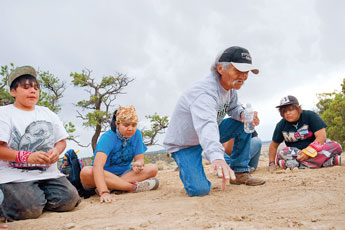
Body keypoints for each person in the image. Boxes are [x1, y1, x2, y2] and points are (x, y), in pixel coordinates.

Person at [163, 46, 265, 197]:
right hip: (185, 145)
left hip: (209, 135)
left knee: (242, 122)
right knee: (200, 190)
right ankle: (191, 165)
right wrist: (217, 157)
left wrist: (243, 114)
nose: (243, 77)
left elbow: (234, 108)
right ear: (220, 68)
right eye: (238, 71)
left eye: (246, 72)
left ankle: (240, 172)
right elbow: (206, 125)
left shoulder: (230, 88)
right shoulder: (204, 93)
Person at [0, 66, 80, 221]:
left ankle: (36, 198)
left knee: (69, 199)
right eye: (26, 87)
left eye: (36, 88)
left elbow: (61, 141)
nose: (33, 91)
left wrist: (57, 151)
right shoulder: (4, 113)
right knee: (30, 208)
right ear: (13, 91)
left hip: (48, 174)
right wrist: (27, 157)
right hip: (14, 177)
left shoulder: (47, 113)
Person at [80, 106, 159, 203]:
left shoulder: (137, 134)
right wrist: (104, 192)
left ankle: (115, 186)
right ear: (117, 124)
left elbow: (140, 159)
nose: (130, 128)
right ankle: (132, 187)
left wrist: (138, 163)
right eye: (126, 125)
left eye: (134, 125)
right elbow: (97, 166)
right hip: (103, 175)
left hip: (125, 174)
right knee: (86, 172)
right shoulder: (107, 137)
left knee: (152, 168)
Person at [268, 95, 342, 171]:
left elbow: (321, 137)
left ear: (298, 108)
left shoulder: (310, 115)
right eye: (284, 111)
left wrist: (307, 153)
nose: (288, 113)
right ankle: (327, 162)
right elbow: (273, 146)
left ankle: (293, 164)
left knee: (336, 146)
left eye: (291, 110)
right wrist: (271, 163)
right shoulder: (281, 125)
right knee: (283, 152)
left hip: (315, 150)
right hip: (296, 153)